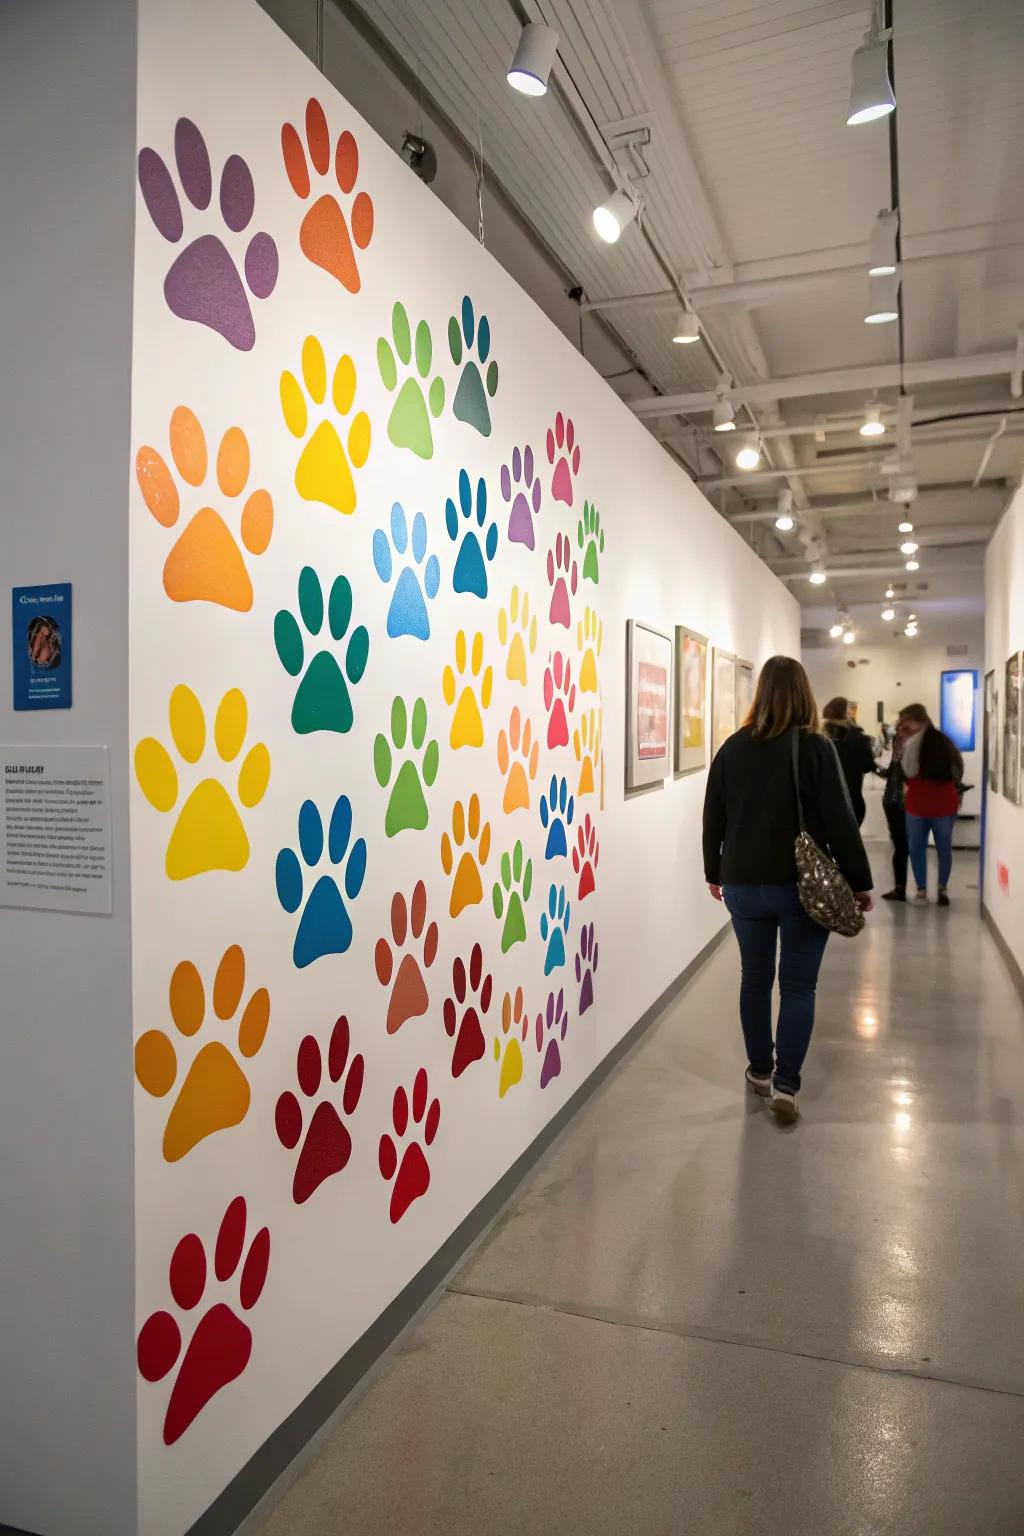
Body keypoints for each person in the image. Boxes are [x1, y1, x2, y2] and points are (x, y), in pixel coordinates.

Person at [702, 656, 873, 1124]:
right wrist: (858, 883)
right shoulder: (815, 748)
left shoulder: (732, 748)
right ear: (805, 694)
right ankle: (786, 1085)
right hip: (799, 887)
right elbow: (840, 820)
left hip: (741, 882)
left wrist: (713, 871)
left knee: (754, 979)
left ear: (760, 692)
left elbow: (713, 813)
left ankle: (759, 1069)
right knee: (798, 986)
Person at [898, 703, 963, 907]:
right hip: (943, 803)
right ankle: (941, 887)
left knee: (917, 848)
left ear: (917, 721)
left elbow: (908, 771)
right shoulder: (945, 742)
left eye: (906, 723)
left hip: (918, 804)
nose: (903, 727)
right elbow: (957, 770)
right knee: (943, 849)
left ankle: (921, 889)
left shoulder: (911, 744)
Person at [822, 696, 877, 826]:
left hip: (826, 804)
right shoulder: (859, 738)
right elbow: (868, 765)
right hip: (853, 801)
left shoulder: (820, 739)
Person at [878, 717, 912, 901]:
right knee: (900, 844)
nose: (899, 734)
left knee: (902, 845)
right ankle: (900, 887)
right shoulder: (899, 750)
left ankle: (902, 888)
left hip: (902, 803)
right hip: (892, 802)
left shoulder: (911, 752)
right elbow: (892, 772)